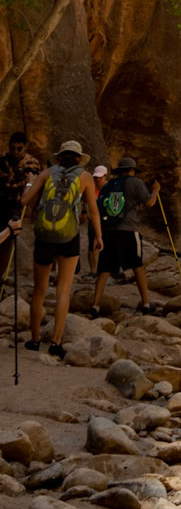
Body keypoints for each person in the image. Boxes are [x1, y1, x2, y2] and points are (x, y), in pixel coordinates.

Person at [24, 138, 101, 359]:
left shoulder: (47, 173)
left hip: (45, 236)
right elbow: (93, 211)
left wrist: (29, 182)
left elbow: (26, 201)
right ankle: (56, 343)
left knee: (39, 291)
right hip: (70, 237)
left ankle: (34, 339)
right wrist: (99, 236)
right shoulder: (85, 177)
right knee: (63, 291)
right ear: (79, 158)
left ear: (60, 156)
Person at [92, 157, 158, 314]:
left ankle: (95, 305)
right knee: (137, 266)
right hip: (128, 230)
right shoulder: (135, 182)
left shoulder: (109, 185)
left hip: (108, 230)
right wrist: (156, 190)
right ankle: (146, 304)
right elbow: (149, 202)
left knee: (105, 269)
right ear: (132, 170)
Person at [0, 133, 34, 287]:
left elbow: (31, 185)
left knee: (6, 244)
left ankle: (1, 277)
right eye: (12, 148)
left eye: (19, 149)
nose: (15, 151)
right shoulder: (2, 159)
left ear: (25, 148)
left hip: (15, 207)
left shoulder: (31, 163)